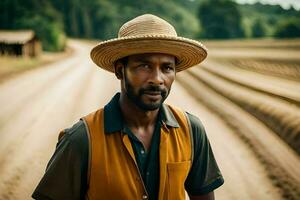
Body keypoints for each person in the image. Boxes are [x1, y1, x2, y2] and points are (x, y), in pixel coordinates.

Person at [32, 14, 224, 200]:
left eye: (167, 68)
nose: (157, 79)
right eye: (144, 66)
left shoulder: (190, 131)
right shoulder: (81, 140)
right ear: (119, 70)